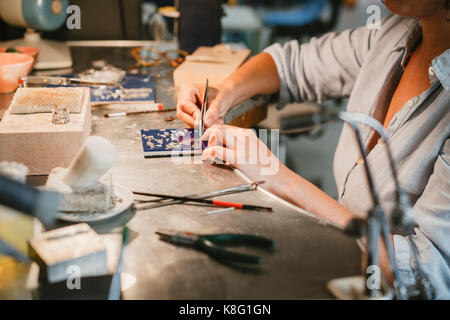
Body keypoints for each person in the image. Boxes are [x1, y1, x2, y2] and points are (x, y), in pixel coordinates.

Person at [176, 0, 450, 298]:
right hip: (345, 265)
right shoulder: (394, 35)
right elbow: (291, 64)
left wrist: (281, 180)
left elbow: (427, 274)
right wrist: (221, 96)